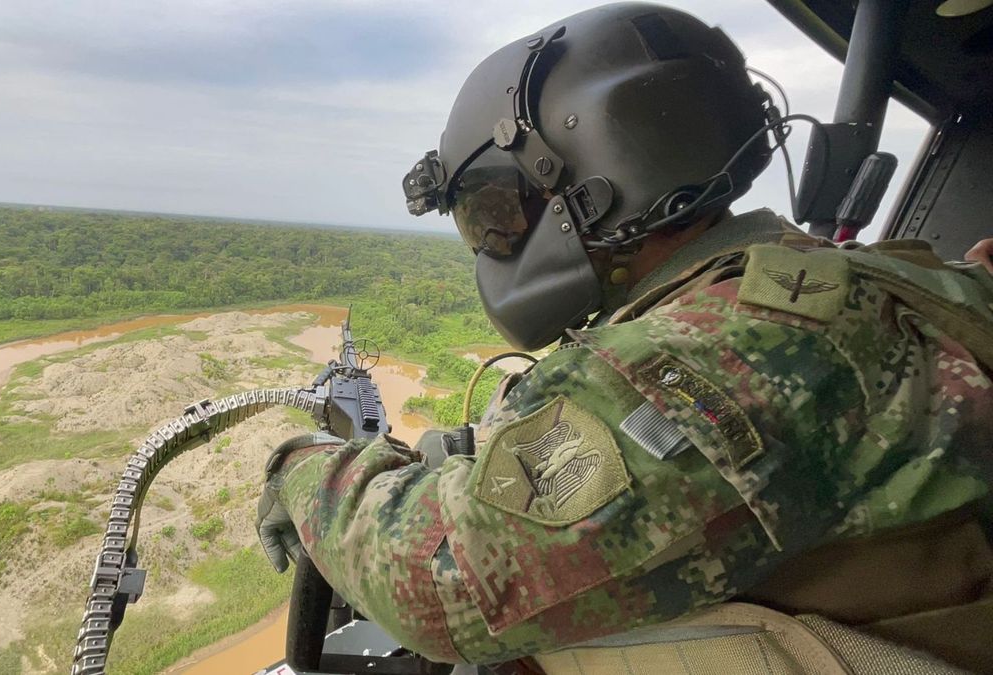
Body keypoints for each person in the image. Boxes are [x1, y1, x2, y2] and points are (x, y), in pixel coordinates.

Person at [256, 4, 993, 673]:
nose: (489, 243)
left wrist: (306, 469)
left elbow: (441, 582)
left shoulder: (709, 348)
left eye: (493, 211)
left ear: (594, 183)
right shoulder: (873, 282)